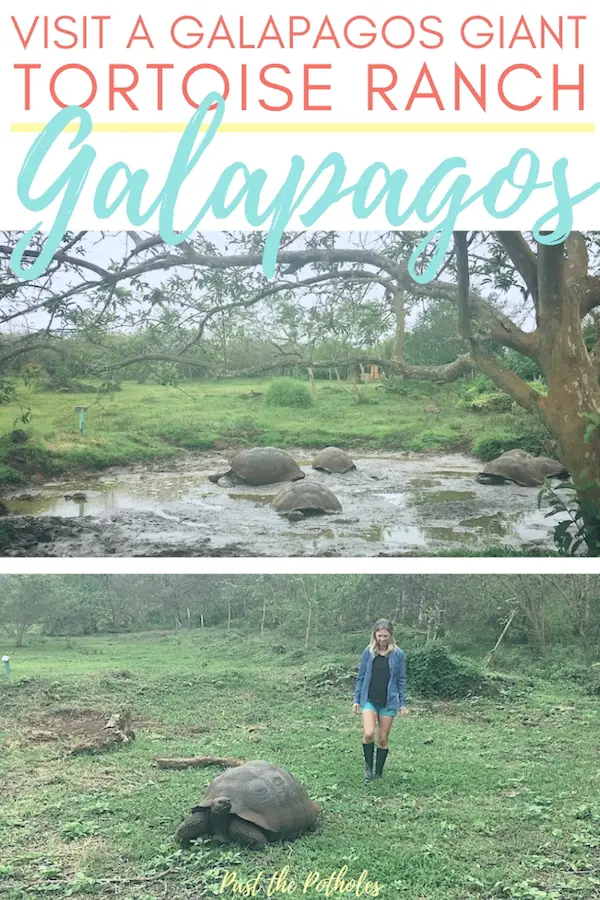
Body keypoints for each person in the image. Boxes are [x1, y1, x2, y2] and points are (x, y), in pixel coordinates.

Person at [353, 618, 408, 782]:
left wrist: (403, 703)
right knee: (369, 733)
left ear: (391, 635)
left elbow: (401, 679)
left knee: (383, 739)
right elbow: (361, 677)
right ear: (374, 635)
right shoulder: (368, 652)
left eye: (385, 636)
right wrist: (356, 699)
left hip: (388, 701)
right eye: (379, 636)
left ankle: (379, 772)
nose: (382, 639)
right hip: (369, 699)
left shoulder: (398, 654)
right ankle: (368, 768)